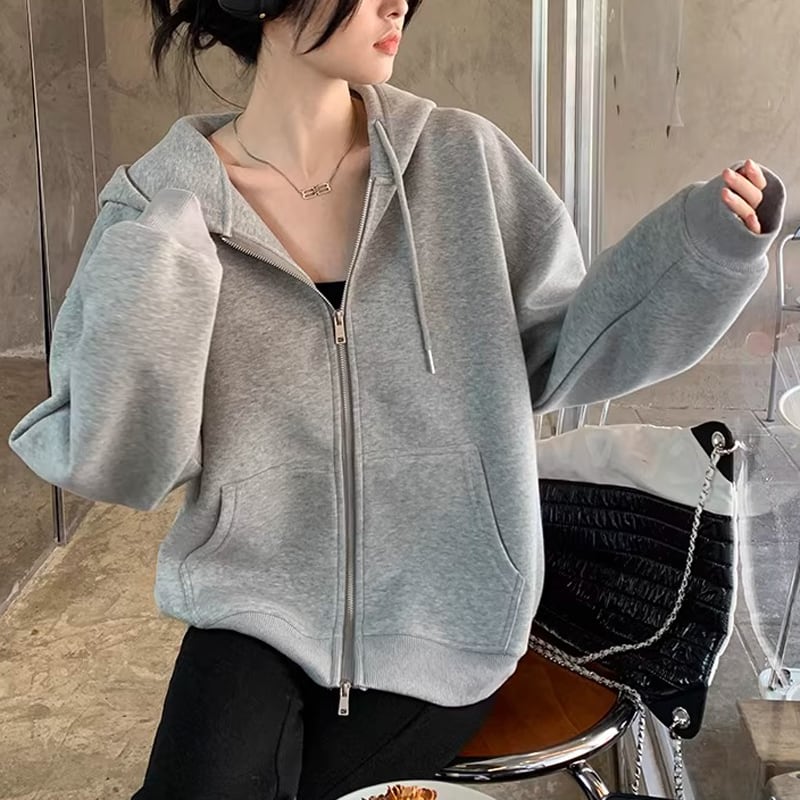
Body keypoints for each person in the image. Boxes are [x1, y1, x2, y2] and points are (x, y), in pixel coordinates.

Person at [7, 0, 786, 797]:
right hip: (253, 599)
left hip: (448, 608)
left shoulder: (462, 162)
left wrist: (700, 250)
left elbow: (569, 351)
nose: (397, 6)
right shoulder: (159, 208)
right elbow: (124, 462)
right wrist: (158, 275)